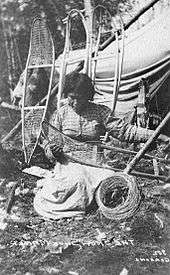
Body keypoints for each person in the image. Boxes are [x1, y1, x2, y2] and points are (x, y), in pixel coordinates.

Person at [34, 72, 169, 220]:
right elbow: (50, 146)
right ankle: (79, 207)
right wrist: (52, 151)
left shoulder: (100, 112)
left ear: (88, 96)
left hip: (95, 163)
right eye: (71, 97)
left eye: (79, 98)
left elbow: (125, 131)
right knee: (76, 182)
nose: (75, 103)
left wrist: (157, 135)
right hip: (69, 162)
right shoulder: (60, 114)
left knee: (111, 182)